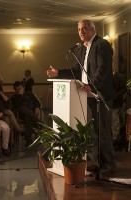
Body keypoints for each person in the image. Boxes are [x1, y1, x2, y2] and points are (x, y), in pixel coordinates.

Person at [46, 19, 116, 173]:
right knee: (91, 132)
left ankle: (109, 163)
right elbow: (77, 70)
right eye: (78, 29)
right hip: (86, 95)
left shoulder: (102, 44)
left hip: (100, 95)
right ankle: (99, 163)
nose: (81, 32)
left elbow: (103, 70)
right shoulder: (82, 49)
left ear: (92, 29)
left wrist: (92, 84)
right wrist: (58, 73)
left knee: (102, 130)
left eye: (84, 29)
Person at [11, 81, 42, 147]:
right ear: (15, 90)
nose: (19, 90)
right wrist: (20, 95)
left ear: (23, 87)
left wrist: (37, 107)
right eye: (17, 89)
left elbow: (37, 102)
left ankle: (29, 140)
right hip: (21, 114)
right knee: (23, 107)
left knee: (27, 118)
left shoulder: (29, 94)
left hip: (31, 113)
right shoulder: (14, 97)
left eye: (20, 88)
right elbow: (17, 106)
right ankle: (39, 122)